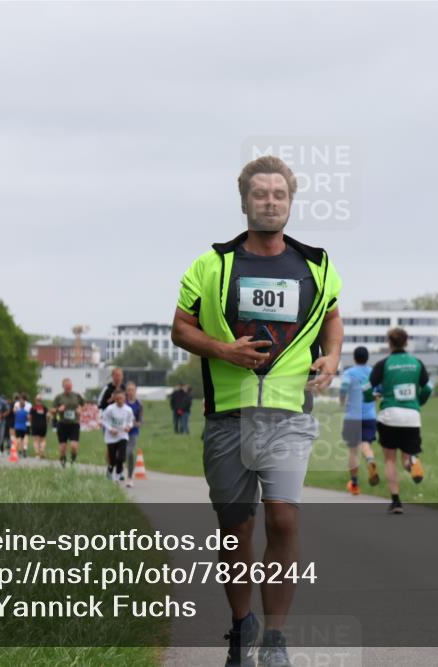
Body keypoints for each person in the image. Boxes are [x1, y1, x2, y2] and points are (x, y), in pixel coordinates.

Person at [171, 155, 343, 667]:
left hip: (289, 414)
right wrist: (225, 351)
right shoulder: (213, 264)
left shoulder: (316, 263)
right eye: (261, 194)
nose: (271, 202)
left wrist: (331, 356)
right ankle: (242, 627)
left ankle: (276, 640)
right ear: (244, 200)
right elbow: (181, 327)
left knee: (285, 519)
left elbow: (332, 318)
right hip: (228, 415)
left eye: (280, 195)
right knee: (236, 529)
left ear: (290, 201)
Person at [363, 328, 432, 515]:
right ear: (406, 342)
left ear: (389, 343)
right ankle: (413, 462)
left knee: (390, 460)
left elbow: (367, 388)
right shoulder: (417, 363)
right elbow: (427, 389)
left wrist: (372, 397)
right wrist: (419, 402)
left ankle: (396, 502)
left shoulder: (383, 364)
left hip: (390, 415)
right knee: (406, 456)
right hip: (411, 416)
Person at [340, 346, 380, 495]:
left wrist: (341, 399)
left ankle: (355, 484)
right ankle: (370, 459)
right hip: (369, 416)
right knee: (365, 445)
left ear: (355, 358)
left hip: (352, 416)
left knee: (353, 451)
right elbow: (378, 390)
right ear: (367, 357)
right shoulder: (372, 373)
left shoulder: (350, 373)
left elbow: (344, 387)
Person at [101, 389, 135, 483]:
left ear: (124, 398)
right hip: (111, 437)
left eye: (122, 398)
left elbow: (131, 421)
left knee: (121, 458)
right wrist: (111, 429)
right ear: (115, 399)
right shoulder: (110, 409)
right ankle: (110, 471)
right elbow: (104, 420)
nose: (120, 400)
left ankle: (117, 475)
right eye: (118, 399)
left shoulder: (128, 410)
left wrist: (128, 427)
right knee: (112, 459)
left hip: (122, 436)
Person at [53, 378, 84, 468]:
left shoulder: (77, 396)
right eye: (67, 387)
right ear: (63, 387)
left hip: (74, 424)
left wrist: (80, 409)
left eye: (70, 387)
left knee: (74, 446)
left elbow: (84, 405)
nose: (69, 389)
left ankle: (73, 461)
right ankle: (63, 463)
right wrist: (59, 409)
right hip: (62, 424)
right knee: (62, 448)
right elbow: (52, 410)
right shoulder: (59, 397)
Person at [125, 382, 144, 486]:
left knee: (130, 452)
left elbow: (140, 421)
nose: (130, 392)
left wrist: (132, 424)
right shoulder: (122, 402)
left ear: (135, 391)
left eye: (132, 390)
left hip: (133, 432)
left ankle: (129, 477)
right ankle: (117, 473)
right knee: (121, 454)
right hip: (121, 432)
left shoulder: (139, 405)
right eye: (128, 390)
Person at [29, 395, 50, 459]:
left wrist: (31, 423)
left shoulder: (33, 408)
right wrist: (47, 422)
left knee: (35, 440)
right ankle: (42, 451)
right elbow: (48, 416)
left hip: (35, 425)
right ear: (42, 401)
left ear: (35, 400)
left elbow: (29, 417)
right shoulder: (45, 408)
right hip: (43, 425)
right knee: (43, 439)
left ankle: (37, 454)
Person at [13, 393, 31, 458]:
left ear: (20, 406)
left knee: (17, 439)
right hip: (24, 427)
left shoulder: (17, 411)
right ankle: (23, 450)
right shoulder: (26, 412)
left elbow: (14, 412)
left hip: (17, 426)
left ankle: (18, 451)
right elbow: (28, 419)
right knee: (22, 439)